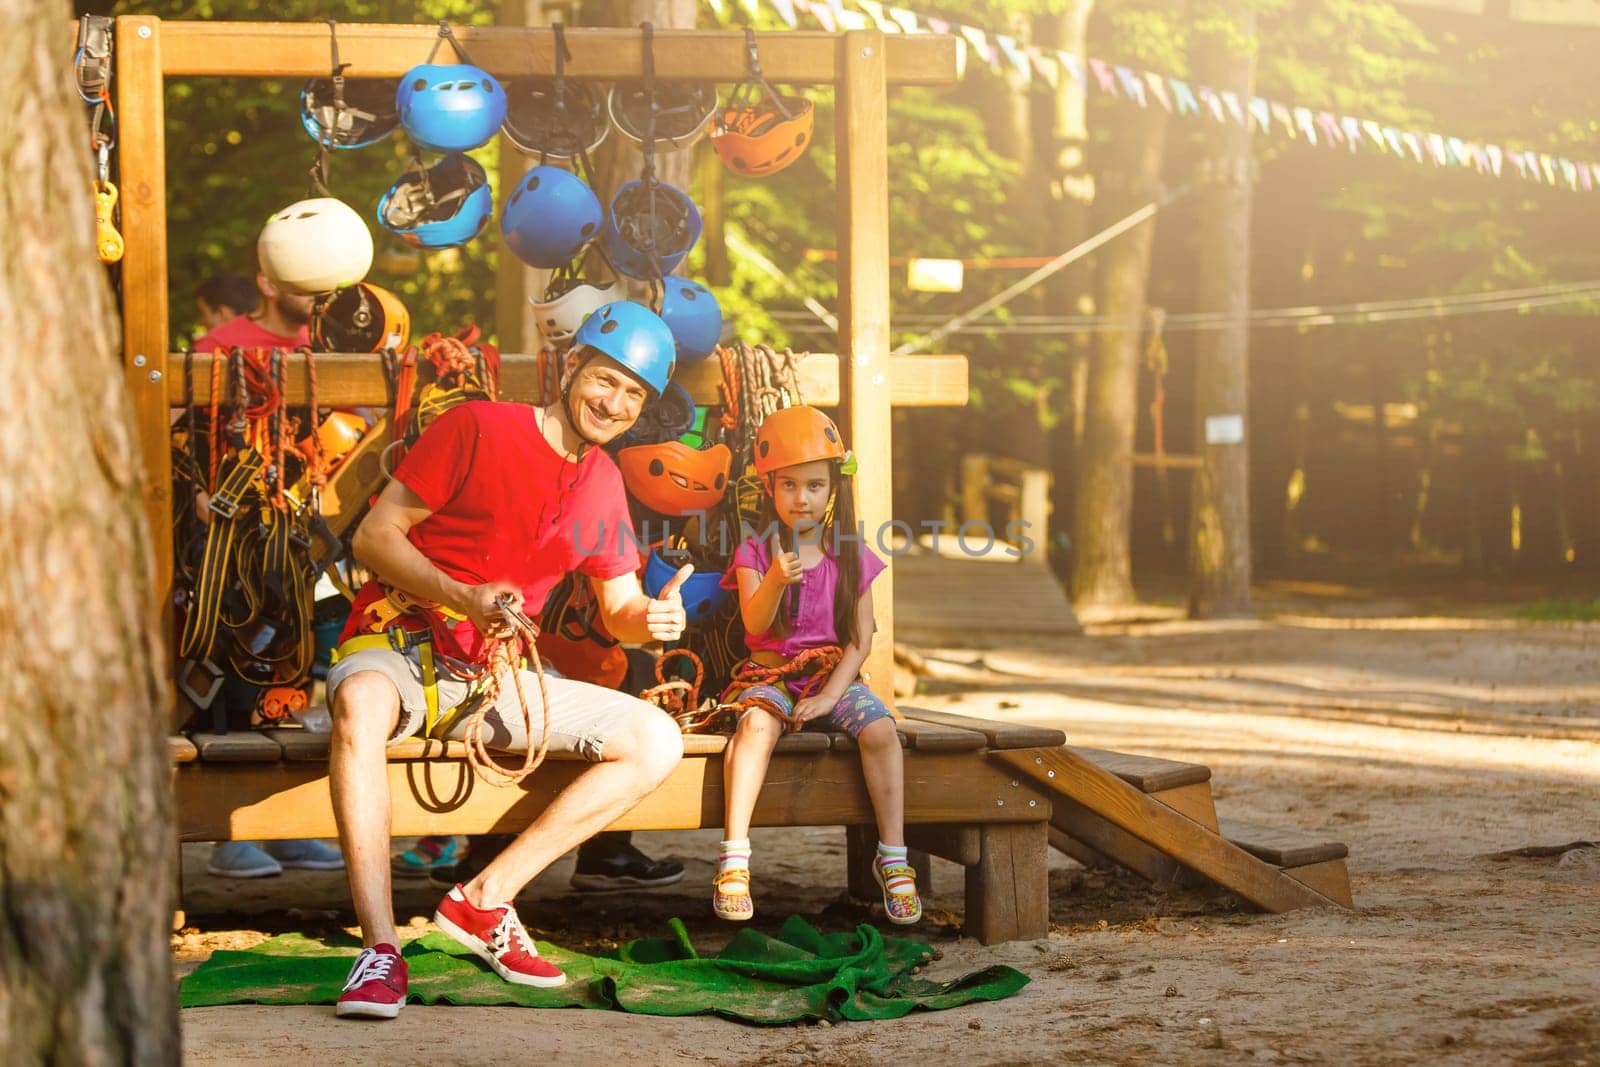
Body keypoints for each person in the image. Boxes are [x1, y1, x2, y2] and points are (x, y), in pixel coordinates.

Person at [328, 301, 691, 1020]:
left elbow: (616, 605)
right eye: (606, 380)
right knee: (359, 704)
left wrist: (650, 619)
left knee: (656, 738)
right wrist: (462, 594)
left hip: (490, 674)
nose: (614, 403)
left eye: (633, 395)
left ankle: (484, 899)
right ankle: (378, 948)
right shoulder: (475, 426)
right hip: (398, 645)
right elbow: (375, 535)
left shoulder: (603, 482)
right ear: (570, 366)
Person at [714, 406, 921, 926]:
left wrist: (830, 696)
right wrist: (774, 581)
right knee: (755, 724)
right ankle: (734, 857)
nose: (800, 499)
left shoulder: (850, 551)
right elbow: (755, 623)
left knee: (879, 729)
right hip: (770, 674)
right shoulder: (756, 550)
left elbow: (861, 636)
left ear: (833, 490)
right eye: (788, 486)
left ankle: (893, 856)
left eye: (813, 486)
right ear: (769, 487)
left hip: (832, 675)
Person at [190, 266, 342, 880]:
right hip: (236, 546)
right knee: (236, 677)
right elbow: (186, 445)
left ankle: (285, 829)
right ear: (267, 281)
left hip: (314, 539)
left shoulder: (337, 345)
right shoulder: (216, 347)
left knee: (300, 684)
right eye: (309, 282)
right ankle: (231, 836)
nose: (322, 296)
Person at [194, 272, 260, 333]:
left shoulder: (209, 345)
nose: (201, 323)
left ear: (223, 313)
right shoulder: (267, 340)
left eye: (203, 314)